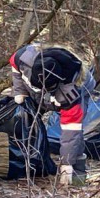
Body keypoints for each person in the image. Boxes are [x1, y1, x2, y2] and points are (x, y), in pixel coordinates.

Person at [10, 44, 86, 185]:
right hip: (38, 94)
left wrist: (66, 163)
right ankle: (27, 158)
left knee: (76, 133)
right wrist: (20, 91)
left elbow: (71, 130)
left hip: (71, 91)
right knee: (25, 117)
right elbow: (14, 64)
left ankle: (77, 172)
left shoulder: (71, 93)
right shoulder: (25, 58)